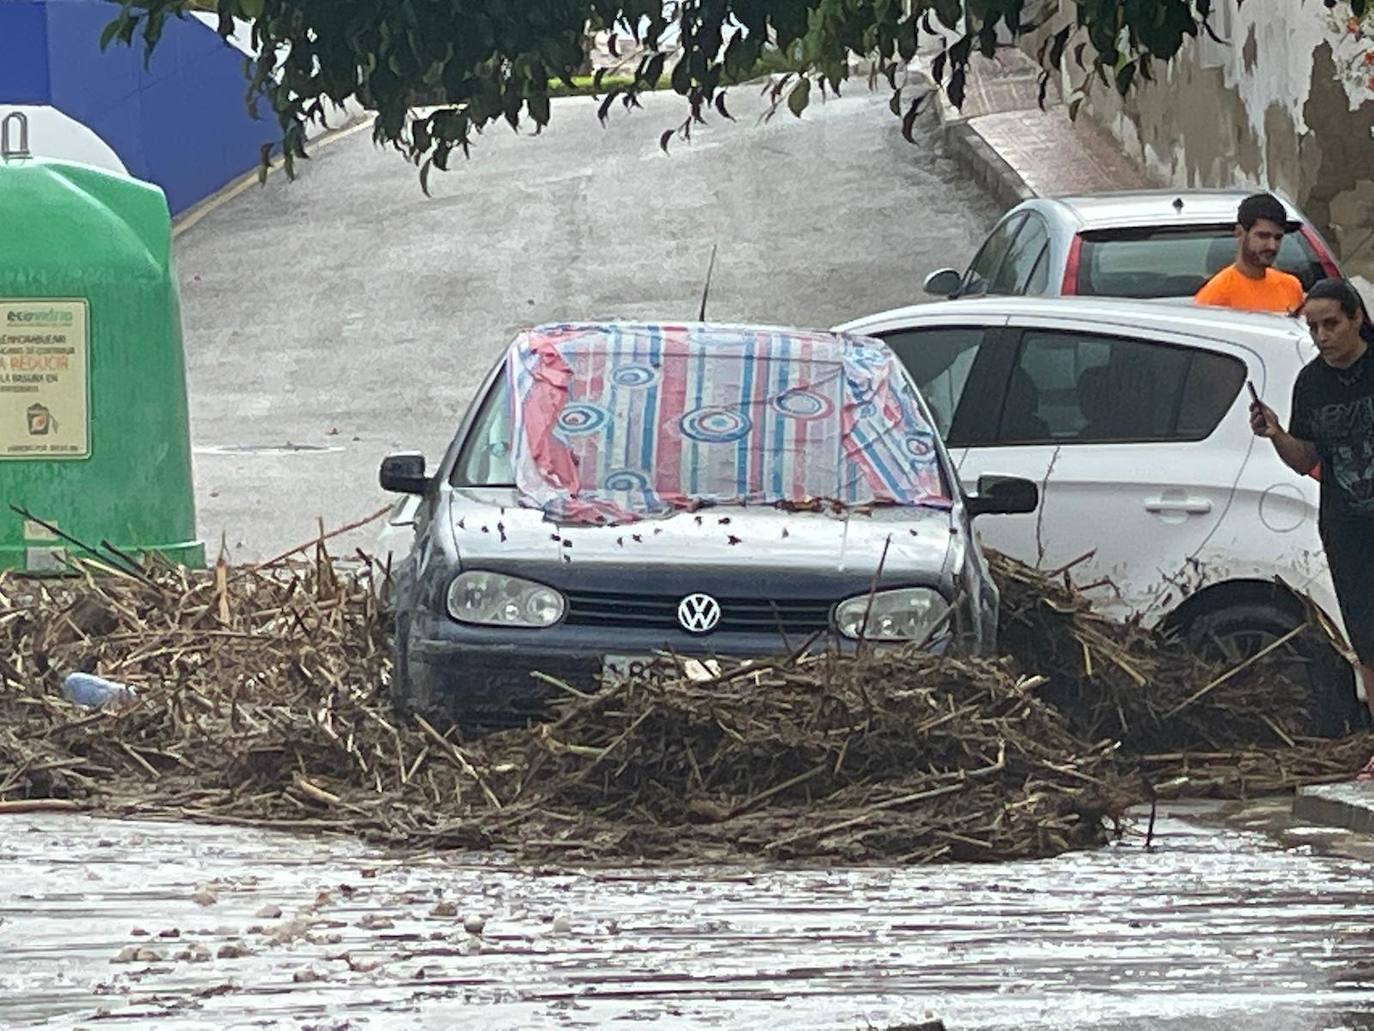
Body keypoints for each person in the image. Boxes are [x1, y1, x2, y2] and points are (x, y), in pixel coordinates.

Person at [1250, 278, 1374, 716]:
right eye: (1313, 327)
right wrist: (1276, 433)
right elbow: (1305, 459)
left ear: (1357, 318)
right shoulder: (1311, 384)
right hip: (1347, 526)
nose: (1322, 337)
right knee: (1367, 640)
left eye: (1332, 324)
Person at [1195, 192, 1305, 314]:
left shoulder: (1291, 287)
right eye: (1263, 236)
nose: (1272, 246)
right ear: (1240, 233)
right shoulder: (1215, 296)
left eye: (1278, 238)